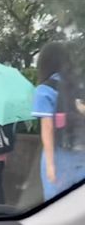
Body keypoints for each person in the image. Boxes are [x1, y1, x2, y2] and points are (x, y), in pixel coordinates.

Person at [32, 42, 85, 201]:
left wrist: (50, 165)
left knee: (57, 207)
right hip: (81, 152)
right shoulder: (79, 86)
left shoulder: (44, 89)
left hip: (59, 156)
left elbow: (47, 128)